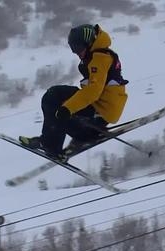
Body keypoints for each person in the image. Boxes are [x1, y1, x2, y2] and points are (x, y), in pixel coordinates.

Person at [20, 24, 129, 160]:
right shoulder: (97, 55)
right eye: (73, 49)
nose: (76, 52)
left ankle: (53, 144)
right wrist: (67, 108)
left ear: (88, 43)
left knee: (55, 100)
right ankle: (52, 142)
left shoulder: (100, 58)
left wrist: (68, 108)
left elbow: (93, 91)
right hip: (97, 110)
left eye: (78, 48)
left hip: (98, 115)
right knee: (54, 97)